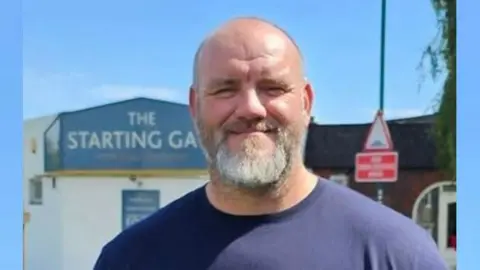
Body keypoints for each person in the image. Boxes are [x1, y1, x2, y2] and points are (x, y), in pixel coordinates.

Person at [93, 17, 448, 270]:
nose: (250, 107)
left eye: (273, 88)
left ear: (306, 102)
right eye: (225, 88)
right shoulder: (130, 258)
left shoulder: (397, 254)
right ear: (196, 105)